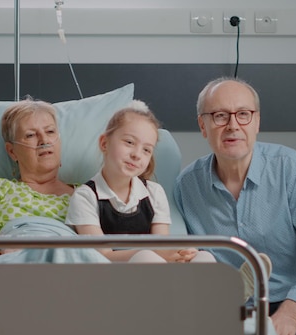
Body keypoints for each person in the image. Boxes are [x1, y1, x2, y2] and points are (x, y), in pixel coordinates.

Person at [174, 76, 296, 335]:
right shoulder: (186, 186)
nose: (232, 125)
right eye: (219, 116)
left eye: (243, 114)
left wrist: (290, 313)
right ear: (203, 125)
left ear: (257, 122)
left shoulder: (290, 168)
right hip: (229, 311)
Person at [0, 98, 107, 263]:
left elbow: (104, 251)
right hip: (12, 266)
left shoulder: (86, 195)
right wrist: (14, 251)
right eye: (30, 135)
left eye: (50, 132)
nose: (44, 141)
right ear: (12, 151)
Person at [65, 100, 214, 263]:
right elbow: (103, 256)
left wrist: (180, 253)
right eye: (129, 142)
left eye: (146, 150)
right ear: (104, 143)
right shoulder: (85, 197)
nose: (137, 154)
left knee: (203, 256)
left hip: (155, 269)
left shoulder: (154, 192)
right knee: (146, 257)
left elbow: (161, 246)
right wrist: (150, 252)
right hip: (112, 277)